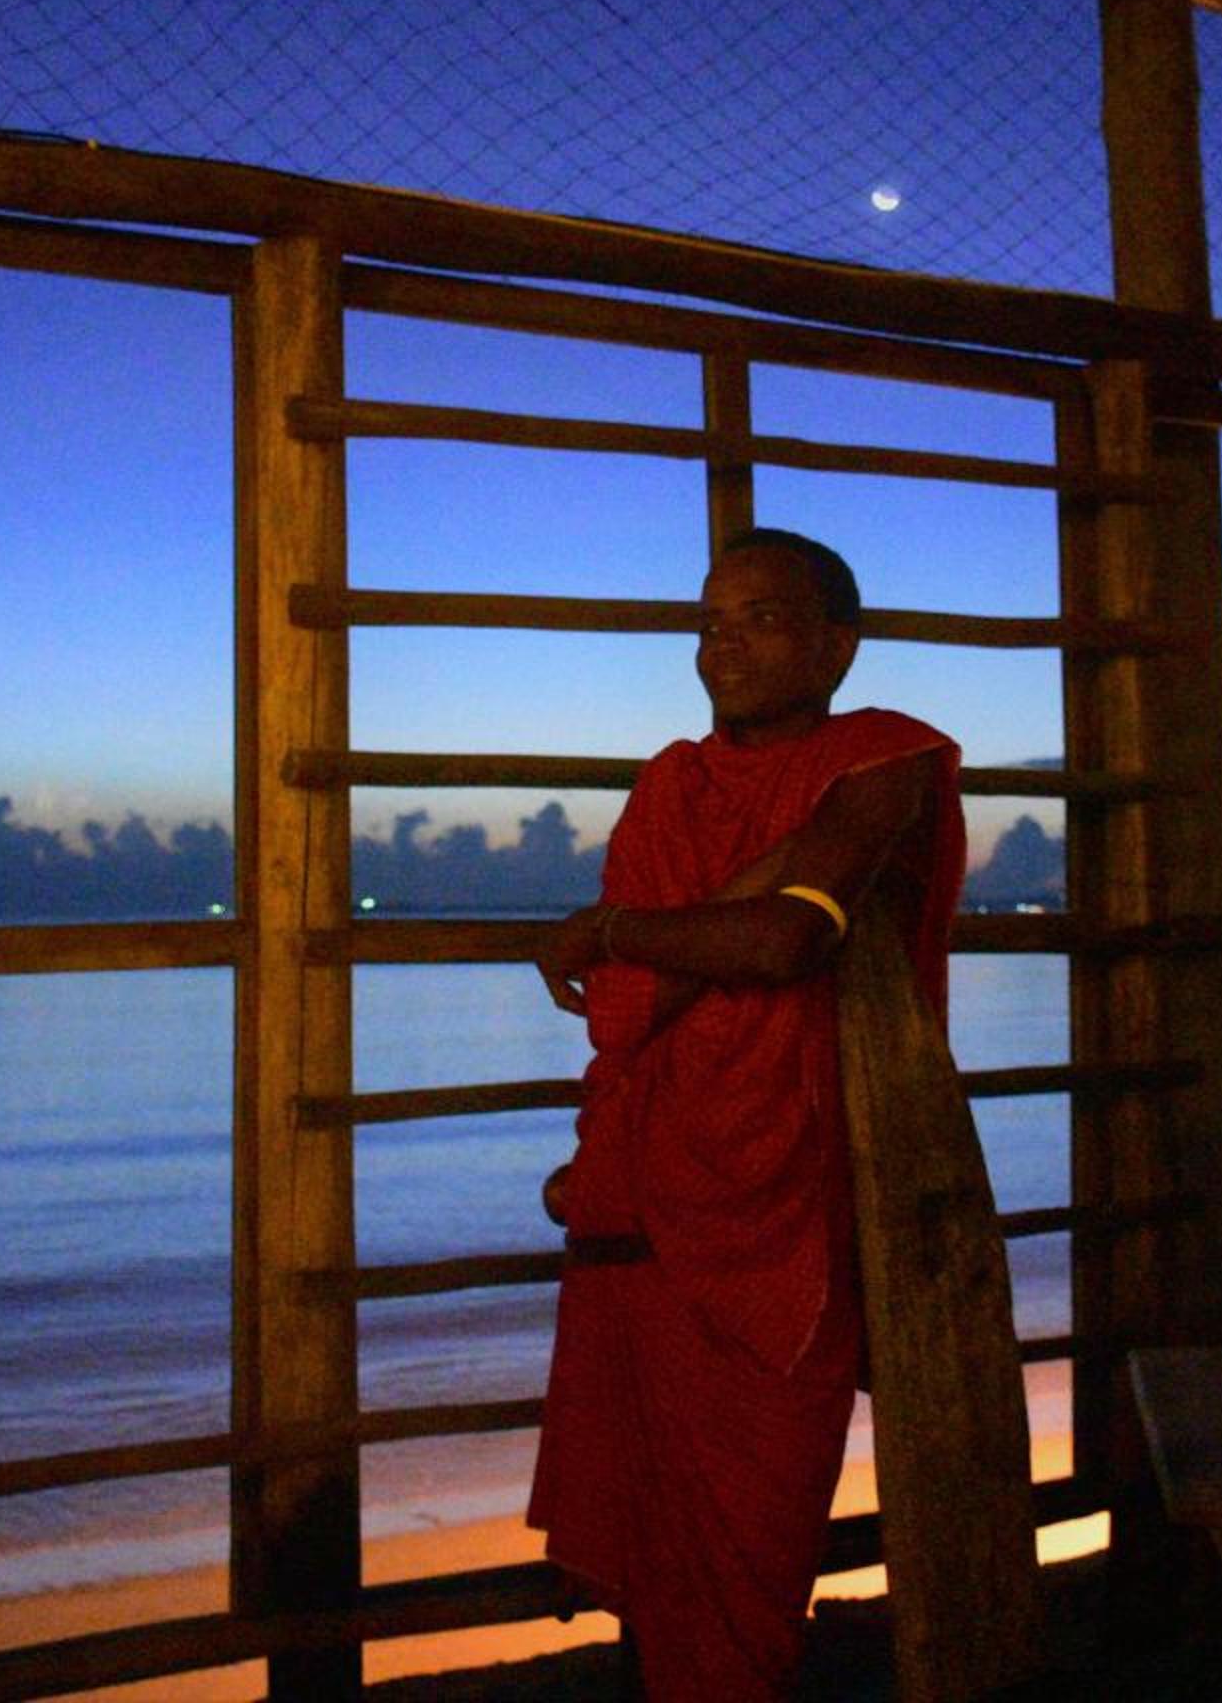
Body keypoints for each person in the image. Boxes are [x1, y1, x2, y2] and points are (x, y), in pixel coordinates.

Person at [525, 527, 965, 1701]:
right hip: (647, 1180)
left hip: (786, 1196)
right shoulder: (670, 783)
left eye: (760, 618)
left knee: (755, 1534)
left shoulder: (884, 760)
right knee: (654, 1523)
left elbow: (785, 939)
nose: (724, 643)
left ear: (837, 645)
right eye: (709, 622)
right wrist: (648, 957)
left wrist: (610, 931)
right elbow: (627, 1018)